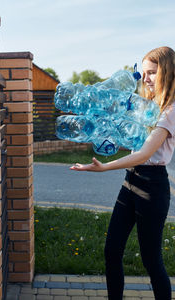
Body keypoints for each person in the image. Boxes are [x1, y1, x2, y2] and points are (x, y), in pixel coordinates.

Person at [70, 46, 175, 300]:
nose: (146, 78)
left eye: (152, 73)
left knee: (151, 261)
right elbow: (128, 138)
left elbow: (144, 154)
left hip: (152, 187)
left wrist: (103, 168)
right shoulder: (145, 106)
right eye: (144, 73)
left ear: (167, 73)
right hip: (131, 181)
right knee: (112, 250)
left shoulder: (170, 111)